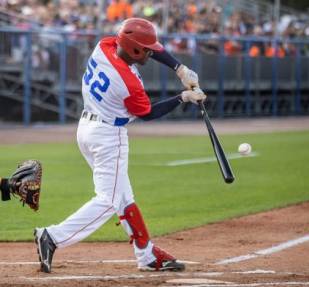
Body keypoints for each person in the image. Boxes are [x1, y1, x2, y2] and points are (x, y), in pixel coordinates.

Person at [34, 18, 206, 273]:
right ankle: (52, 236)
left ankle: (146, 255)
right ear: (135, 49)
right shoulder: (128, 82)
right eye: (145, 50)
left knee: (124, 196)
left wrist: (179, 68)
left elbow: (144, 44)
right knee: (109, 200)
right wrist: (182, 97)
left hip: (87, 128)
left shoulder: (104, 46)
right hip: (108, 136)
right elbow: (147, 114)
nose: (150, 52)